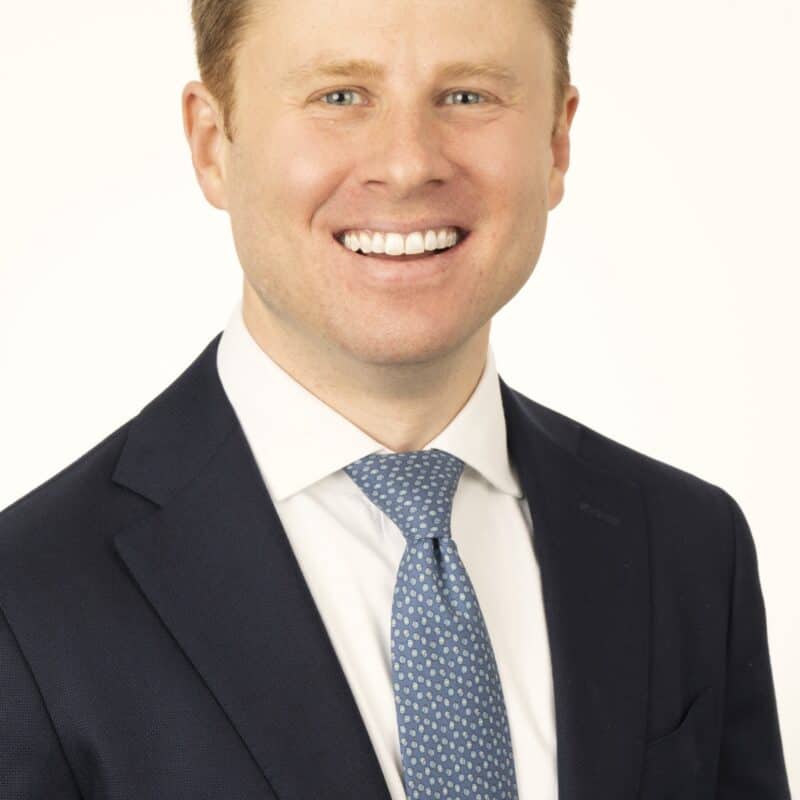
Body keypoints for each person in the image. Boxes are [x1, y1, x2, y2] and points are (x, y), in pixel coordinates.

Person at [0, 0, 791, 797]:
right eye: (340, 96)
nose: (409, 164)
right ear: (213, 144)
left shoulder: (690, 547)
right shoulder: (26, 604)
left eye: (468, 96)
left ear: (556, 142)